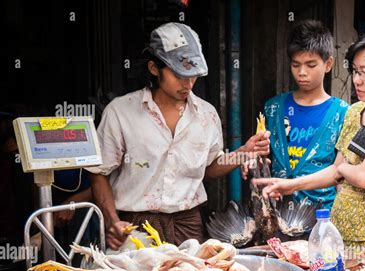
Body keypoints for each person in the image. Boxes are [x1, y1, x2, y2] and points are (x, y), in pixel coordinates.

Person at [87, 22, 270, 249]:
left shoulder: (207, 115)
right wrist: (112, 220)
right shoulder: (121, 112)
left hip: (188, 225)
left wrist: (243, 153)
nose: (188, 83)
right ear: (154, 69)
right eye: (179, 74)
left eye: (193, 75)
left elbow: (210, 168)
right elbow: (98, 172)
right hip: (135, 226)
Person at [254, 26, 365, 253]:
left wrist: (344, 169)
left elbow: (364, 176)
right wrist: (289, 185)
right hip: (342, 232)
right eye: (355, 71)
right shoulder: (356, 112)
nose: (357, 81)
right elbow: (335, 171)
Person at [242, 20, 349, 209]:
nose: (302, 72)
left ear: (328, 64)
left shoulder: (342, 113)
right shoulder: (273, 108)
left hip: (322, 215)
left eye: (310, 65)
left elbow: (340, 172)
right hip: (276, 213)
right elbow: (266, 157)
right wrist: (255, 163)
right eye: (295, 64)